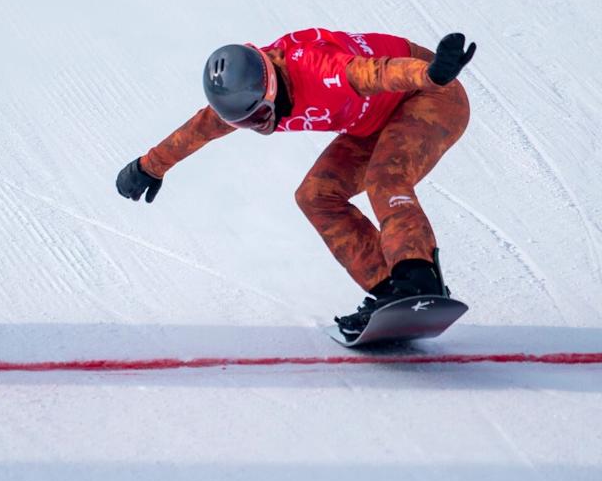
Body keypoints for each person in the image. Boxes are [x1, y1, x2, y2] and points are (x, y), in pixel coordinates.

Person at [116, 28, 475, 334]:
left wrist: (431, 75)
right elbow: (201, 128)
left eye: (260, 115)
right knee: (316, 195)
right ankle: (391, 293)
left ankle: (418, 279)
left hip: (429, 94)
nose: (260, 126)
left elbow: (375, 73)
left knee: (386, 178)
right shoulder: (245, 94)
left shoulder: (315, 68)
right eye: (246, 123)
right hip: (376, 118)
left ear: (269, 86)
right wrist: (150, 166)